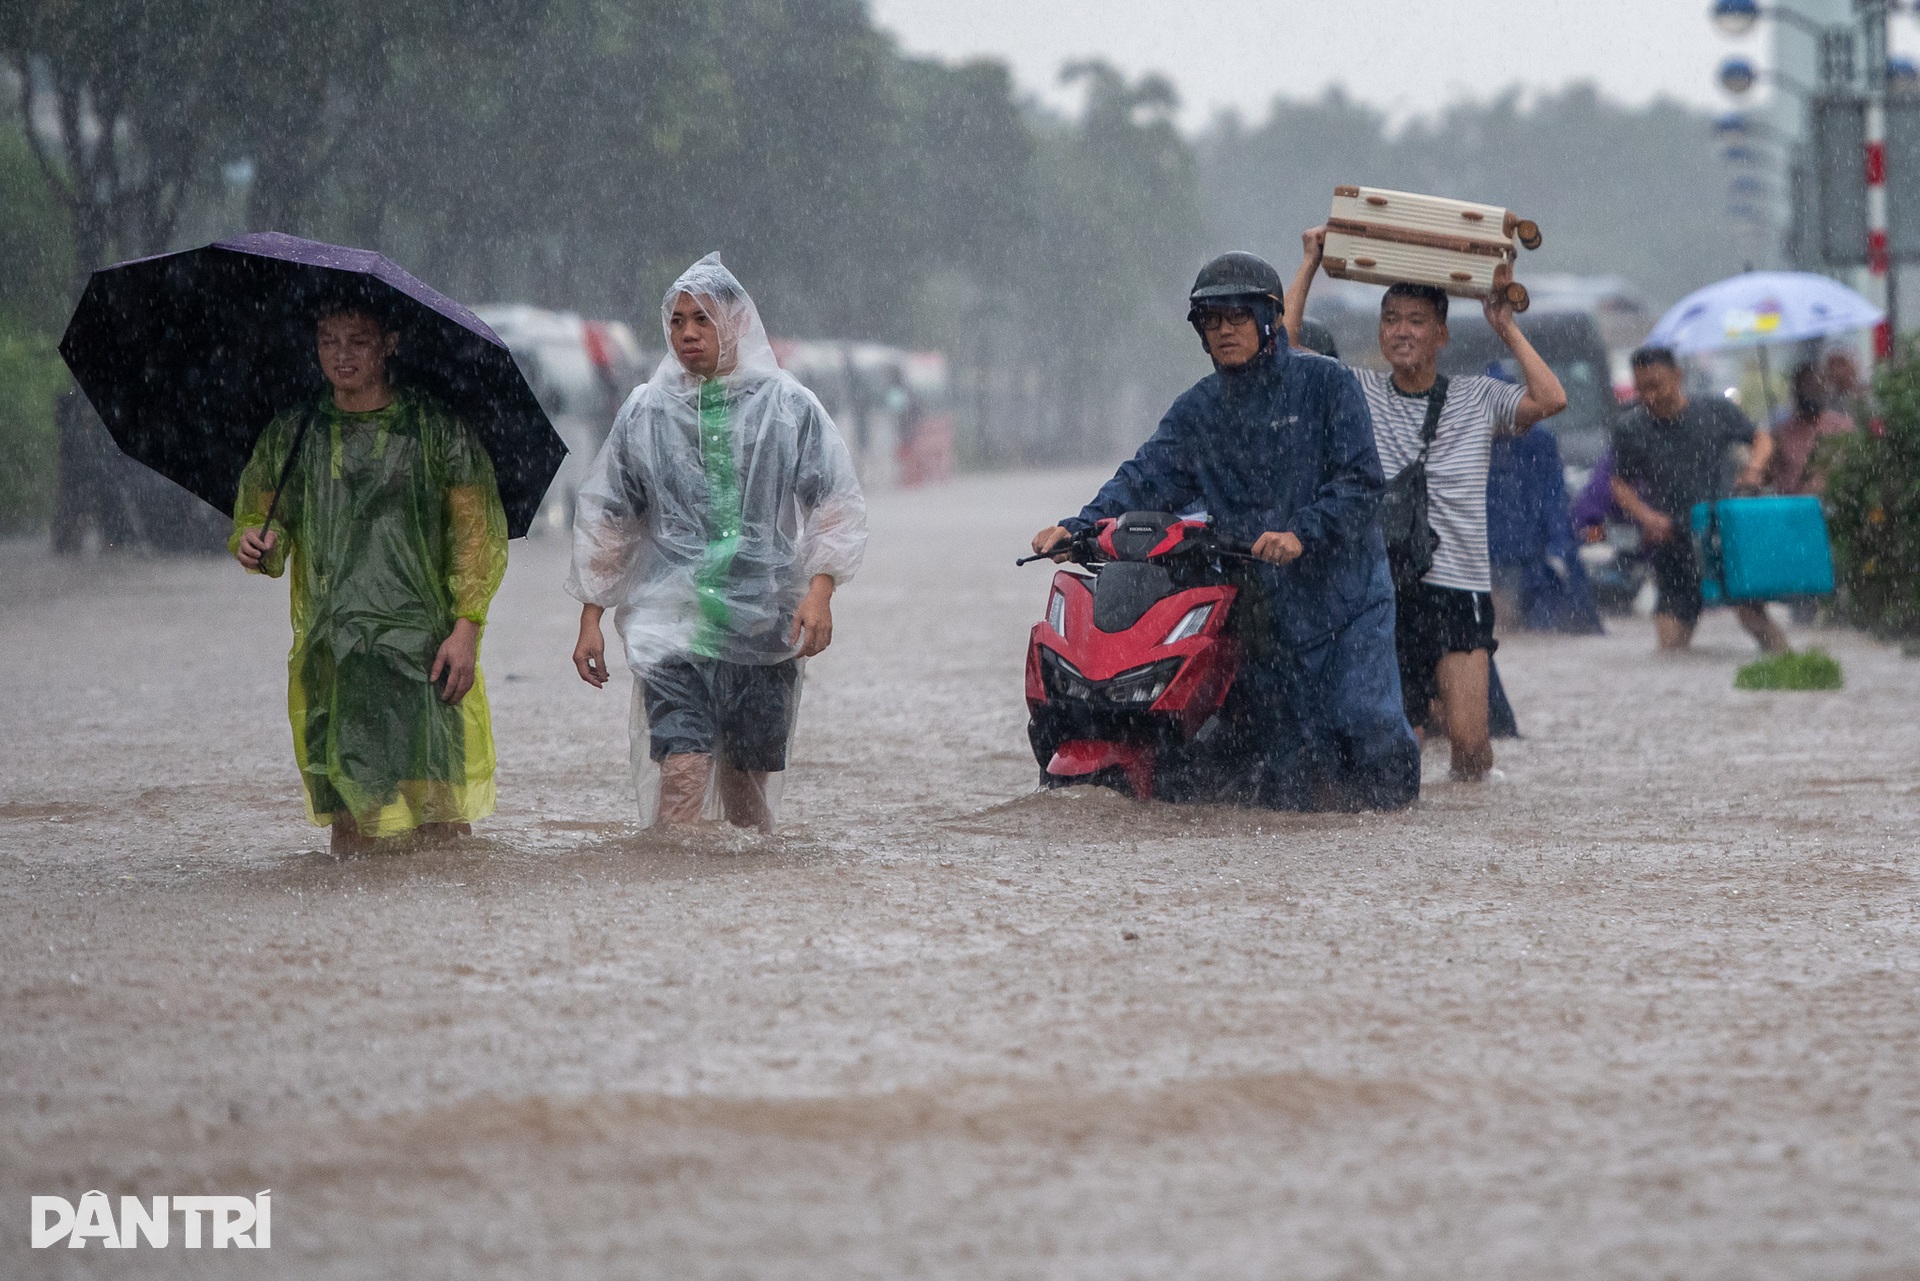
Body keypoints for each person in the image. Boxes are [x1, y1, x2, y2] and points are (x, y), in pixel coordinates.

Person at [1030, 251, 1419, 811]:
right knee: (1284, 763)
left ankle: (1395, 846)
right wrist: (1078, 527)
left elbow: (1360, 484)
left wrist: (1302, 534)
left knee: (1365, 732)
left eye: (1236, 317)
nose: (1224, 331)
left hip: (1346, 603)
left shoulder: (1326, 385)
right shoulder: (1198, 410)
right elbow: (1145, 477)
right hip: (1259, 607)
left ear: (1268, 319)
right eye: (1211, 321)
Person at [567, 254, 867, 832]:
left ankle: (744, 912)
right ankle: (674, 907)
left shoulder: (789, 406)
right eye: (677, 321)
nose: (687, 334)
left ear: (736, 321)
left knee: (747, 800)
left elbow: (834, 501)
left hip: (763, 623)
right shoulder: (645, 411)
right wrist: (590, 617)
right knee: (682, 773)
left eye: (701, 319)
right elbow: (612, 517)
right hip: (670, 627)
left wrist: (821, 593)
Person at [1286, 228, 1567, 781]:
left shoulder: (1479, 398)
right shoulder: (1359, 392)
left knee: (1469, 744)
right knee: (1398, 740)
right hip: (1382, 590)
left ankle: (1462, 827)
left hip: (1459, 587)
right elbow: (1286, 351)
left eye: (1416, 321)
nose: (1401, 332)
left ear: (1441, 333)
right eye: (1390, 320)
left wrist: (1505, 327)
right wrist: (1310, 262)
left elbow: (1551, 397)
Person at [231, 299, 509, 853]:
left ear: (390, 344)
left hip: (423, 649)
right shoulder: (295, 434)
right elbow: (266, 520)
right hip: (334, 650)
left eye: (357, 340)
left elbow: (475, 538)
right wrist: (255, 542)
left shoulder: (437, 430)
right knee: (352, 826)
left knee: (440, 824)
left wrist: (467, 627)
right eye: (328, 340)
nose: (341, 355)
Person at [1609, 346, 1786, 653]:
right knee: (1670, 646)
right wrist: (1647, 517)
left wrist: (1754, 469)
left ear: (1678, 377)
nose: (1649, 397)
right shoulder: (1631, 428)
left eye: (1656, 386)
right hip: (1672, 540)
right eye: (1642, 389)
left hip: (1723, 536)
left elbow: (1762, 439)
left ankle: (1791, 667)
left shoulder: (1715, 411)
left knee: (1754, 618)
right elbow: (1619, 484)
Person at [1766, 361, 1853, 498]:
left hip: (1835, 505)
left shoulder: (1842, 427)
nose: (1810, 391)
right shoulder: (1780, 433)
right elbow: (1768, 475)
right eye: (1805, 386)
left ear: (1825, 388)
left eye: (1816, 386)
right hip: (1793, 509)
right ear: (1795, 390)